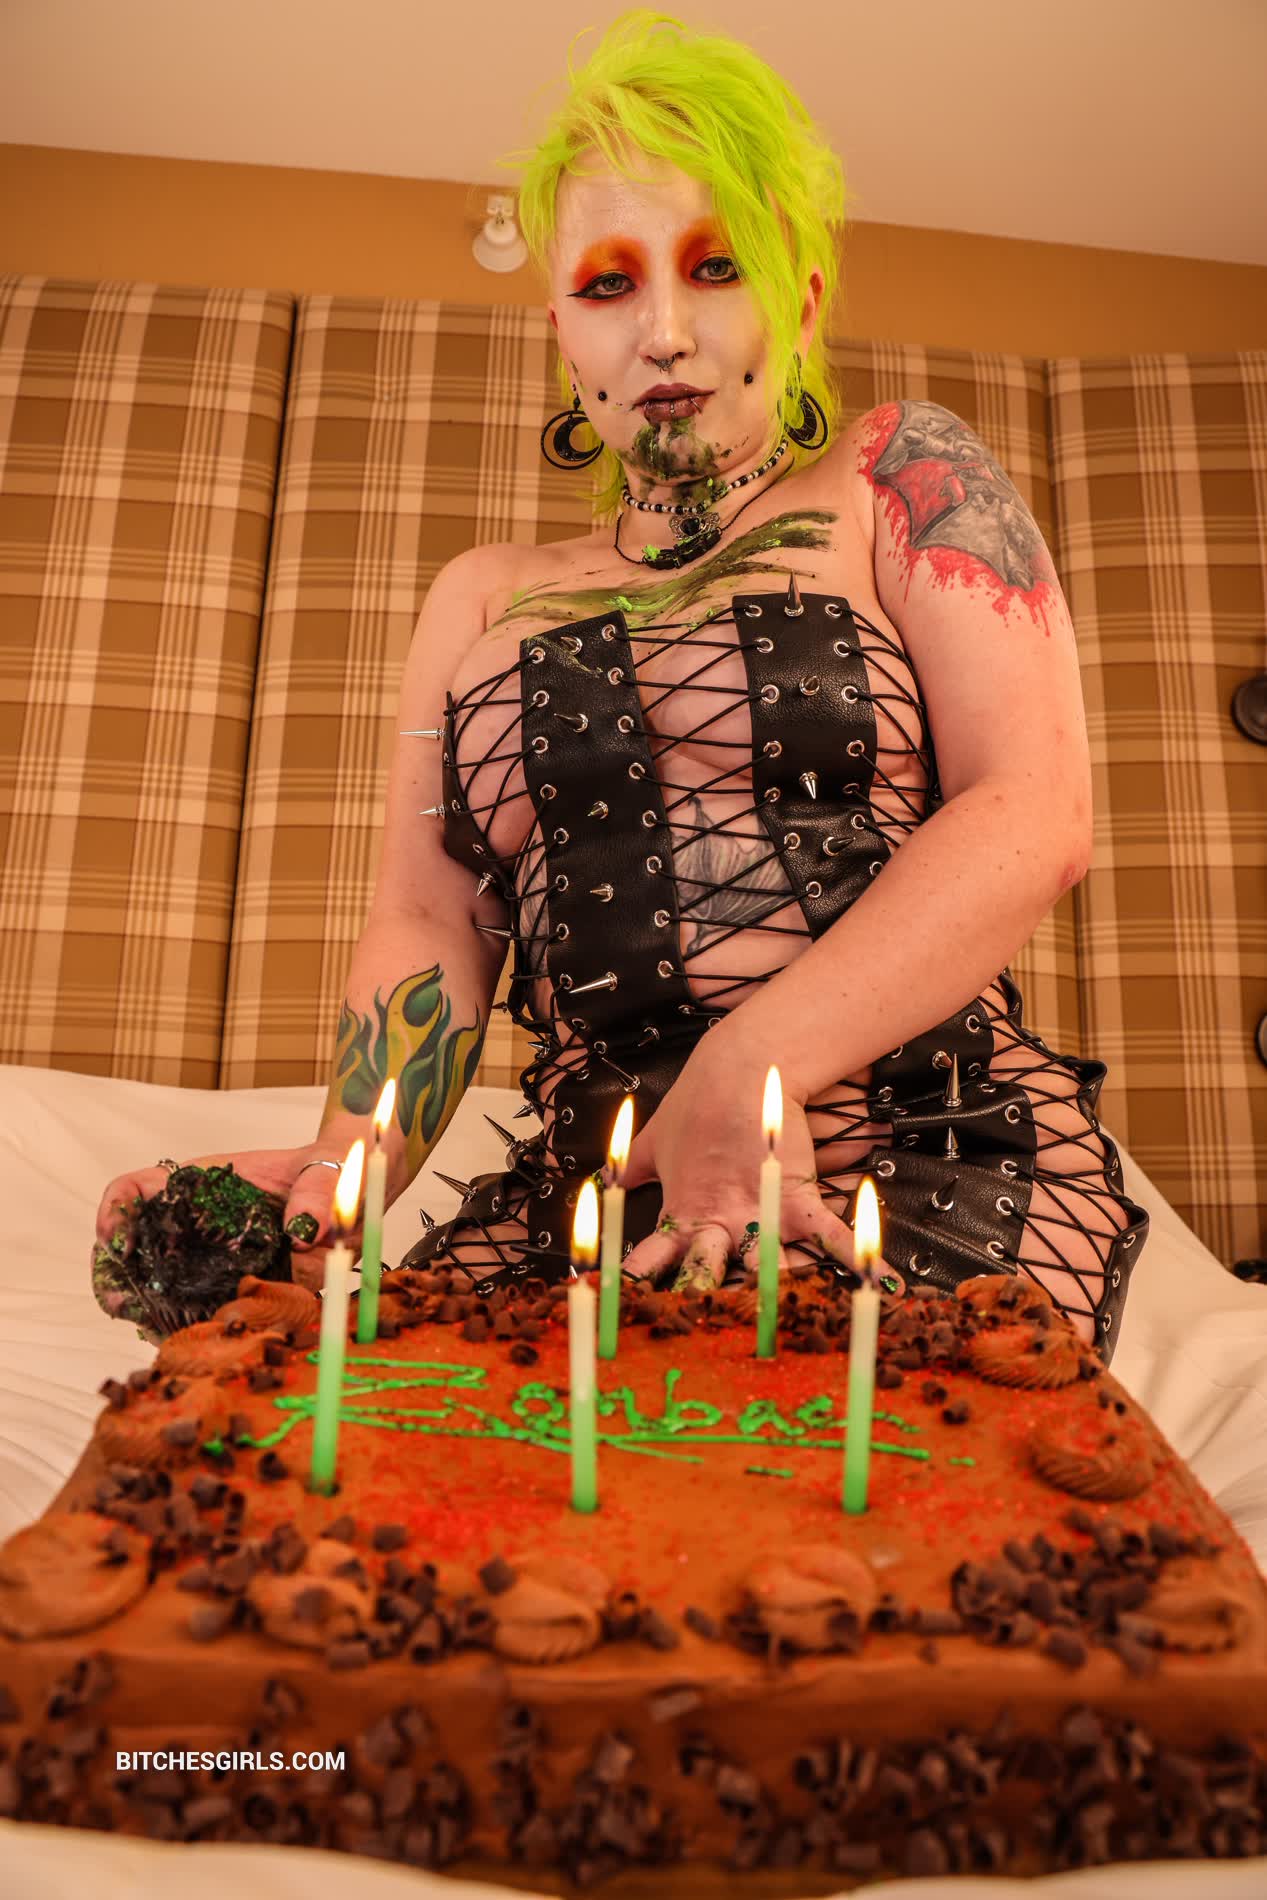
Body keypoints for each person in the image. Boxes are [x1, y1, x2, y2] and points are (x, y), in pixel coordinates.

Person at [94, 10, 1148, 1364]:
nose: (663, 332)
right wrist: (336, 1175)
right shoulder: (480, 597)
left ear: (800, 299)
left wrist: (746, 1069)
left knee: (824, 1477)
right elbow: (430, 918)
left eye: (716, 268)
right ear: (562, 333)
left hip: (923, 1152)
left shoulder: (898, 478)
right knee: (354, 1470)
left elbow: (1035, 809)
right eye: (608, 286)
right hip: (593, 1196)